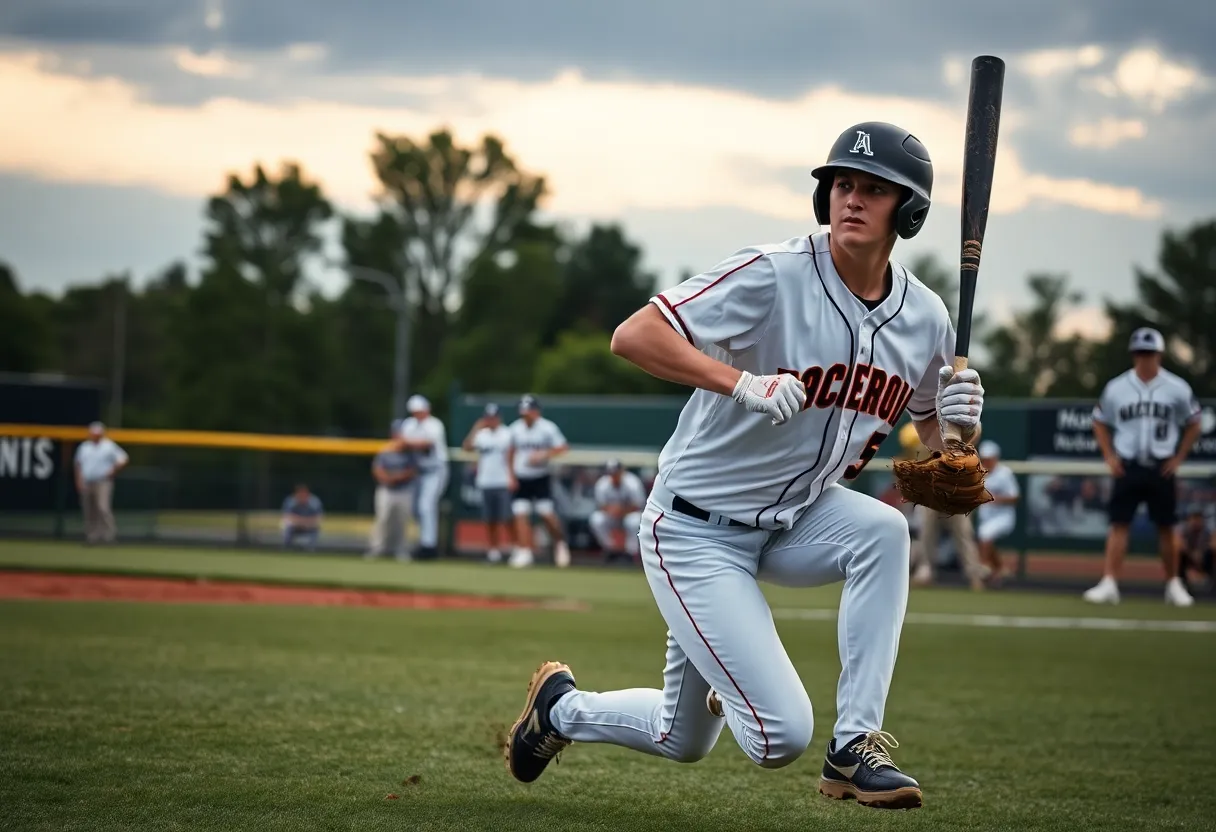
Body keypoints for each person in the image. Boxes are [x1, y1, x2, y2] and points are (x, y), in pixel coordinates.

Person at [504, 122, 985, 811]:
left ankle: (855, 743)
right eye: (843, 183)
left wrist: (962, 423)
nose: (852, 198)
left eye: (874, 190)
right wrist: (741, 382)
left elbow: (941, 442)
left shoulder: (927, 318)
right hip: (695, 529)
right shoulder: (774, 273)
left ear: (907, 212)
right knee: (762, 736)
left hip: (797, 517)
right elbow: (633, 335)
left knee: (882, 532)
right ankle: (563, 714)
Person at [1083, 327, 1202, 607]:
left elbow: (1195, 422)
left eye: (1149, 353)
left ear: (1159, 355)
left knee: (1167, 526)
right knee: (1119, 524)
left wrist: (1178, 457)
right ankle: (1109, 582)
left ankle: (1174, 584)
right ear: (1133, 355)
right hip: (1128, 464)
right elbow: (1099, 420)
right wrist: (1110, 456)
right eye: (1140, 353)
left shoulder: (1177, 387)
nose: (1144, 358)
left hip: (1162, 466)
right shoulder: (1117, 387)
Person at [900, 422, 987, 590]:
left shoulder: (958, 426)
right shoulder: (924, 429)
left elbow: (975, 432)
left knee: (963, 533)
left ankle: (974, 575)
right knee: (927, 533)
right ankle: (925, 571)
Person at [505, 394, 571, 569]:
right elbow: (510, 452)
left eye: (529, 412)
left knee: (546, 513)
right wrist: (510, 476)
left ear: (536, 412)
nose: (526, 416)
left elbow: (563, 447)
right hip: (522, 477)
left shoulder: (547, 428)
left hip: (541, 477)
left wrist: (544, 454)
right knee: (520, 512)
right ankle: (525, 550)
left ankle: (560, 543)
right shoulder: (515, 429)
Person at [462, 403, 514, 563]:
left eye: (493, 417)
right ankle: (493, 550)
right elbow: (467, 447)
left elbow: (513, 456)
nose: (491, 421)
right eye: (488, 418)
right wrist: (476, 428)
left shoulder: (507, 433)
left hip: (503, 480)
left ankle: (517, 548)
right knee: (489, 519)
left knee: (507, 518)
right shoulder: (481, 434)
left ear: (499, 418)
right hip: (485, 481)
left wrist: (512, 477)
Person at [400, 395, 449, 560]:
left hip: (435, 470)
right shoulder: (409, 424)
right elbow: (402, 442)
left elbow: (426, 443)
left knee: (426, 506)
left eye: (420, 411)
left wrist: (409, 443)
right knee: (416, 509)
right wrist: (410, 443)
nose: (418, 414)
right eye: (415, 412)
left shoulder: (434, 424)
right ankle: (424, 541)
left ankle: (429, 546)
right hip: (418, 471)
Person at [366, 420, 418, 561]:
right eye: (397, 432)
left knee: (401, 521)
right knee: (383, 519)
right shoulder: (385, 450)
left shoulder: (410, 452)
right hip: (386, 489)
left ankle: (400, 550)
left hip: (404, 490)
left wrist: (397, 477)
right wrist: (388, 478)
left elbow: (413, 471)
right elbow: (377, 469)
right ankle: (377, 549)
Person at [74, 421, 129, 544]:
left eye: (97, 433)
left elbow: (123, 458)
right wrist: (79, 480)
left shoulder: (108, 446)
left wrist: (113, 471)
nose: (95, 435)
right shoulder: (84, 447)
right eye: (93, 433)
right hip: (87, 481)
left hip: (103, 481)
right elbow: (78, 464)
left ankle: (109, 536)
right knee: (89, 510)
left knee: (103, 508)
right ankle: (91, 536)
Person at [975, 440, 1019, 584]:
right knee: (985, 536)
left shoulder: (1004, 473)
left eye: (989, 458)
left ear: (995, 458)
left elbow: (1015, 497)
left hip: (1003, 517)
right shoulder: (979, 473)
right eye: (985, 458)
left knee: (985, 534)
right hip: (986, 517)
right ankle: (999, 569)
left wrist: (995, 498)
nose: (987, 461)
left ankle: (983, 568)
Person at [588, 459, 647, 563]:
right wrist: (612, 510)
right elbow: (601, 505)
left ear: (622, 471)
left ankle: (631, 552)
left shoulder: (632, 482)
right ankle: (611, 550)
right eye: (611, 473)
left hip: (628, 514)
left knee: (633, 521)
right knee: (597, 519)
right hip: (611, 515)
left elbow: (639, 505)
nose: (614, 475)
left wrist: (621, 510)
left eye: (616, 472)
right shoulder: (602, 483)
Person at [1177, 508, 1215, 595]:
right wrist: (1191, 553)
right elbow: (1180, 544)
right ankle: (1180, 583)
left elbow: (1213, 544)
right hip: (1189, 557)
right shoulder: (1185, 531)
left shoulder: (1207, 532)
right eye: (1194, 519)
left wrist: (1201, 553)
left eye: (1198, 519)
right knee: (1179, 554)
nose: (1196, 522)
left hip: (1205, 558)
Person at [281, 483, 323, 551]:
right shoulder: (290, 501)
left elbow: (318, 519)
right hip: (295, 526)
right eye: (300, 493)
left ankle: (311, 550)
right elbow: (287, 517)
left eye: (304, 493)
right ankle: (287, 548)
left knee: (316, 529)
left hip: (309, 526)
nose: (302, 495)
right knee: (287, 527)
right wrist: (302, 522)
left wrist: (303, 522)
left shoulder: (314, 502)